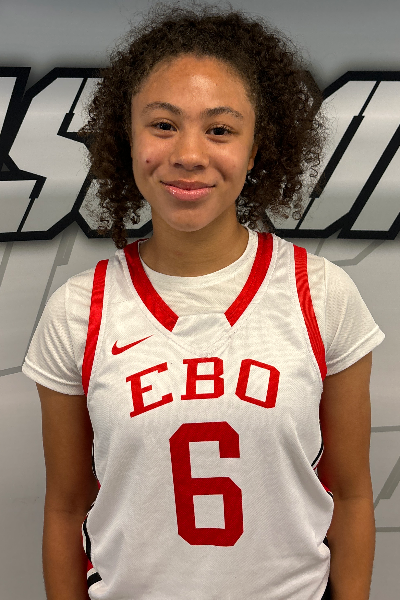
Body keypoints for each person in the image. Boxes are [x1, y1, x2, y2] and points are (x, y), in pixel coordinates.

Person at [22, 2, 385, 599]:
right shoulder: (78, 311)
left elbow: (350, 495)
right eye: (163, 124)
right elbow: (65, 510)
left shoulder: (321, 294)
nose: (189, 154)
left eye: (220, 129)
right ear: (128, 137)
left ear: (256, 147)